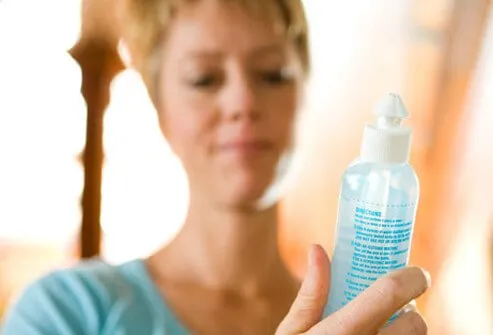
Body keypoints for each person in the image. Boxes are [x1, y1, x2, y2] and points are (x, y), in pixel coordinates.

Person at [1, 0, 430, 334]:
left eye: (272, 73)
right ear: (159, 108)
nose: (242, 103)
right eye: (204, 79)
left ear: (304, 92)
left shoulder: (359, 321)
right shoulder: (67, 312)